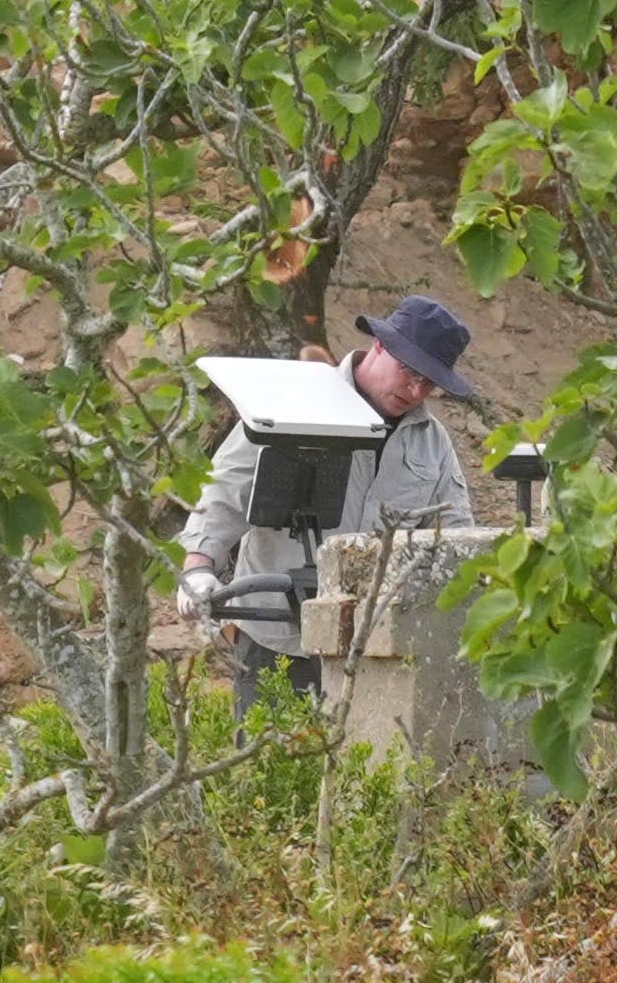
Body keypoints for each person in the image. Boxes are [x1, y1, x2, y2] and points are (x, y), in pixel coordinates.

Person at [176, 294, 476, 723]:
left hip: (375, 648)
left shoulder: (433, 442)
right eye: (409, 372)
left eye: (428, 383)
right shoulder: (296, 399)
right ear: (379, 345)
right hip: (279, 639)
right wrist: (198, 566)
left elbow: (456, 534)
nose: (415, 391)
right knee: (272, 760)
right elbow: (228, 487)